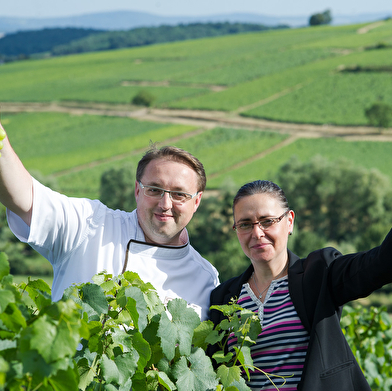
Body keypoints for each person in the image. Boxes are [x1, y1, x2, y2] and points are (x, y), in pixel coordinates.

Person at [0, 122, 219, 320]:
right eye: (154, 190)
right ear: (137, 190)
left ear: (197, 201)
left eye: (179, 194)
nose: (165, 204)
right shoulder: (91, 224)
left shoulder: (206, 279)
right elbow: (21, 196)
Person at [208, 179, 392, 390]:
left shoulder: (319, 273)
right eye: (245, 224)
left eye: (267, 221)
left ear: (289, 222)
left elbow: (381, 264)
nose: (257, 233)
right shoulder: (224, 297)